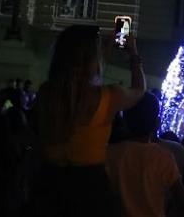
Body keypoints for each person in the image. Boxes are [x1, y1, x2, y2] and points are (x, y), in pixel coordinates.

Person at [32, 25, 144, 217]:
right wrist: (133, 54)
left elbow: (77, 82)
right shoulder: (108, 97)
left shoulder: (45, 94)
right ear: (92, 58)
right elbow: (139, 90)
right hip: (90, 189)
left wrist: (103, 52)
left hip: (49, 184)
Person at [105, 92, 184, 217]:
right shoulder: (163, 158)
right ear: (157, 123)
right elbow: (183, 201)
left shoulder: (110, 153)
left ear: (125, 120)